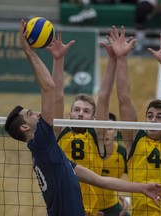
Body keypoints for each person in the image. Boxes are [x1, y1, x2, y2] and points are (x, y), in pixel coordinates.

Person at [4, 19, 161, 216]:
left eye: (85, 111)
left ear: (93, 118)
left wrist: (141, 188)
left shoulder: (54, 155)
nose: (38, 113)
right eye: (31, 114)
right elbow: (51, 91)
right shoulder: (43, 143)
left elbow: (99, 180)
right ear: (25, 128)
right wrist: (30, 51)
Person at [109, 25, 161, 215]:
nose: (152, 120)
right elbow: (124, 99)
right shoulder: (134, 140)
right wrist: (121, 58)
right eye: (150, 116)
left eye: (160, 117)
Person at [49, 29, 124, 215]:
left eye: (86, 111)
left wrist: (113, 59)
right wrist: (58, 60)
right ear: (69, 115)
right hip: (62, 207)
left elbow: (104, 97)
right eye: (77, 110)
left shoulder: (97, 135)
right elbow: (57, 95)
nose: (81, 114)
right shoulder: (60, 131)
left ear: (94, 118)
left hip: (89, 210)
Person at [96, 112, 130, 216]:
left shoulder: (123, 154)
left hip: (111, 206)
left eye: (110, 128)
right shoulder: (86, 151)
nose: (105, 132)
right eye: (102, 128)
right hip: (84, 205)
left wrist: (128, 200)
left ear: (116, 132)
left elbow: (140, 180)